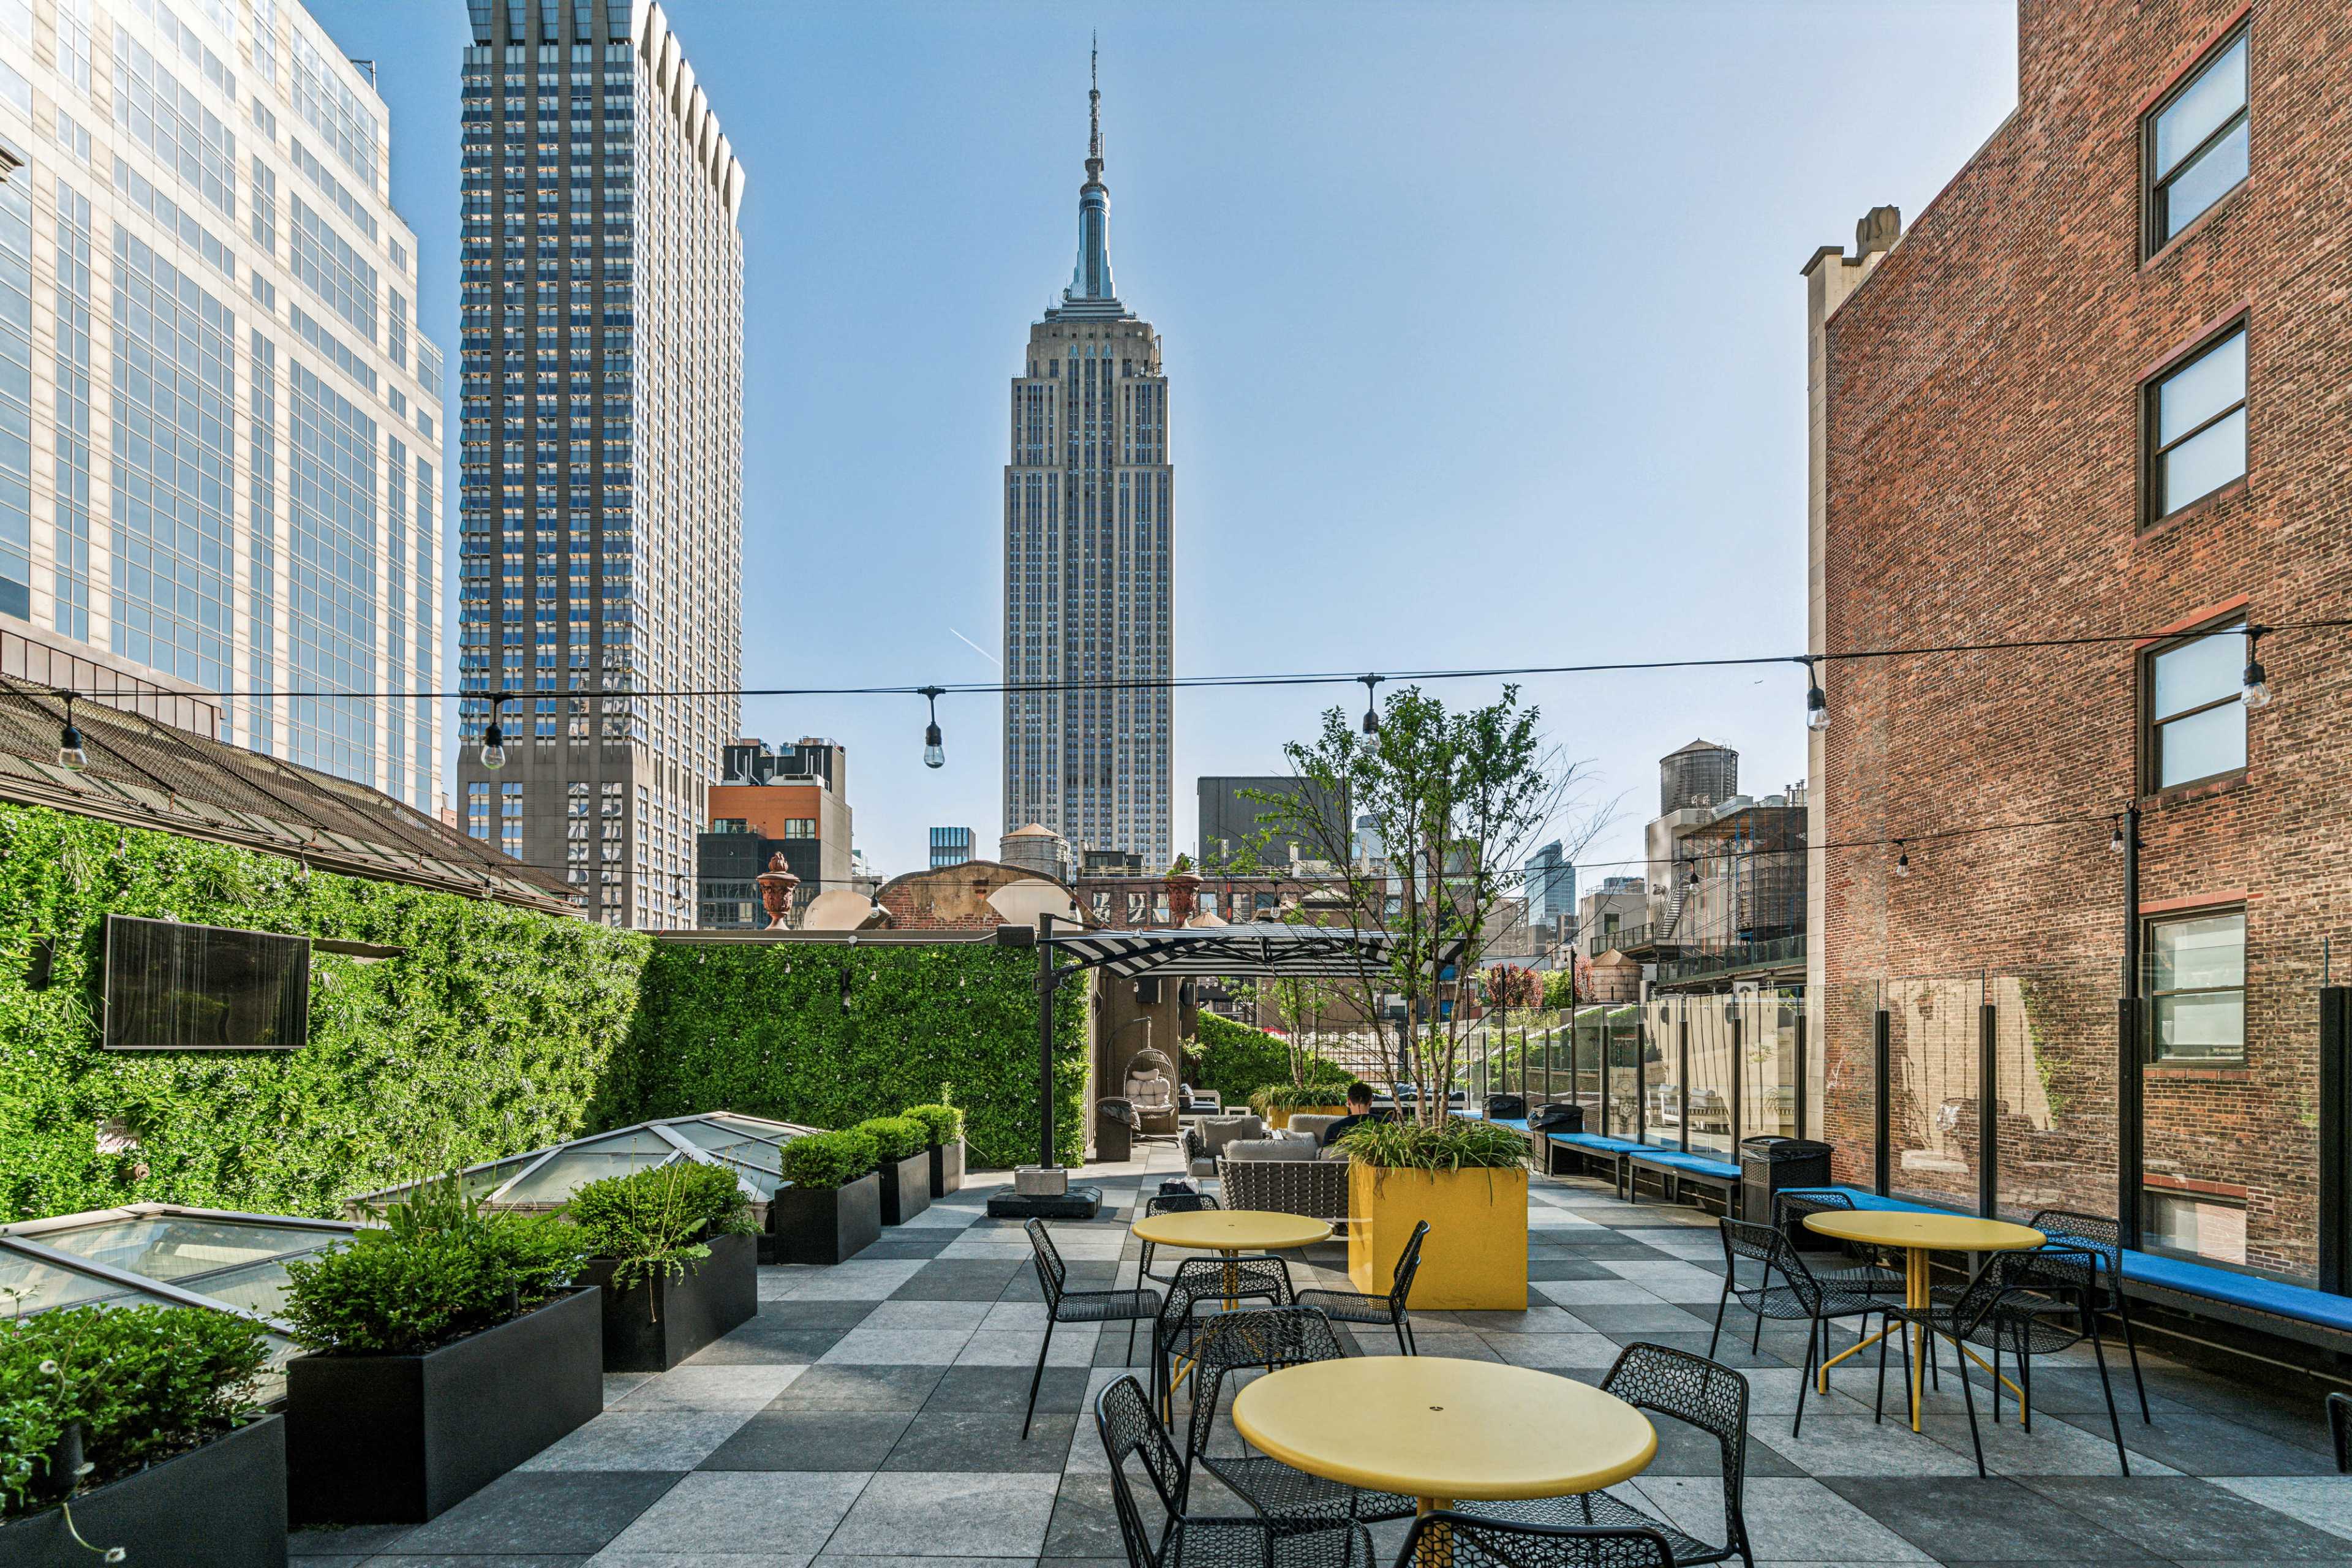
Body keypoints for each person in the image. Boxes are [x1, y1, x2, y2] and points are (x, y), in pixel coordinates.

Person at [1319, 1082, 1392, 1147]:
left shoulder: (1334, 1128)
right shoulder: (1386, 1124)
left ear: (1348, 1101)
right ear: (1370, 1101)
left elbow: (1324, 1156)